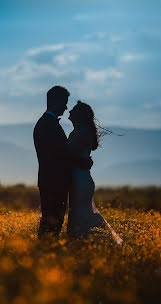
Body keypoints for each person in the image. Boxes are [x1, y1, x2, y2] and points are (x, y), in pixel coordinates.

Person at [33, 86, 92, 239]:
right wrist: (83, 162)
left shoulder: (48, 123)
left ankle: (45, 251)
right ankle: (44, 252)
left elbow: (61, 153)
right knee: (51, 223)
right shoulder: (47, 125)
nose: (66, 107)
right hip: (53, 182)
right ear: (56, 102)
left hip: (53, 182)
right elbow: (59, 154)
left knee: (53, 223)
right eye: (64, 103)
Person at [66, 101, 123, 245]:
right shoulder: (78, 131)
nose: (69, 111)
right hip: (77, 178)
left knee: (81, 214)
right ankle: (84, 244)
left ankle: (90, 243)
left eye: (73, 110)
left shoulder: (83, 133)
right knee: (78, 213)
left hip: (80, 179)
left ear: (79, 115)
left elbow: (69, 155)